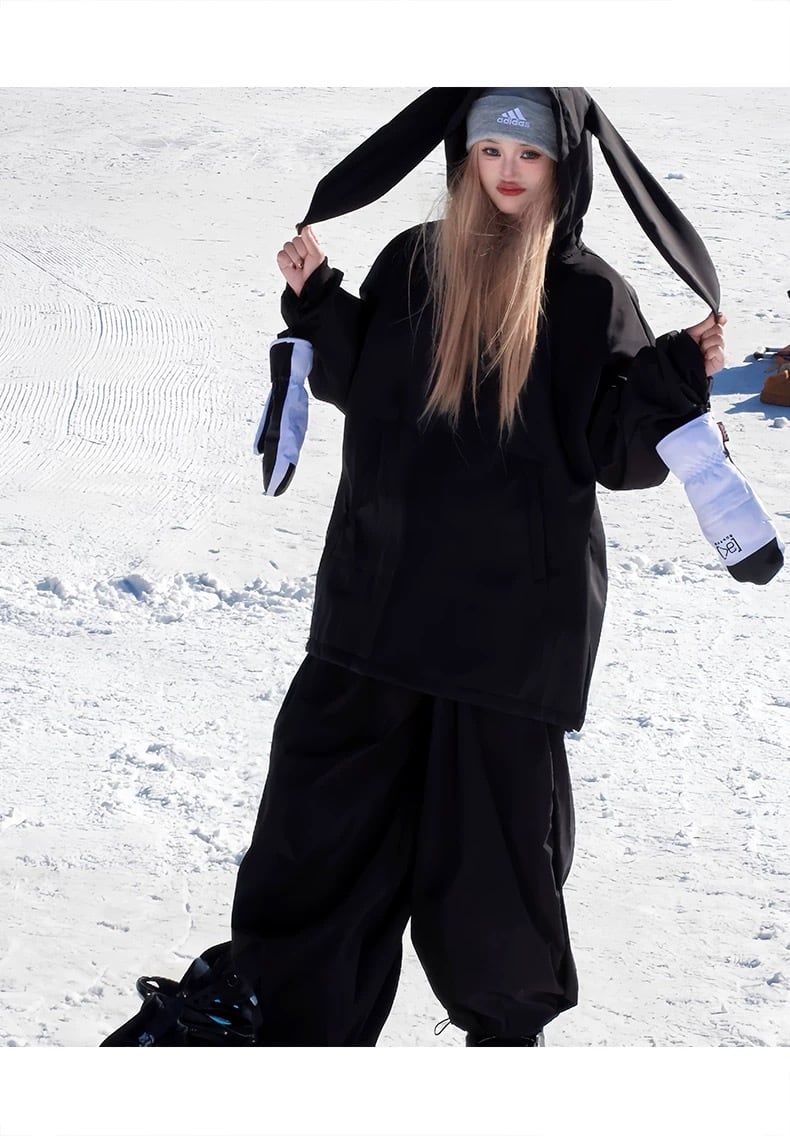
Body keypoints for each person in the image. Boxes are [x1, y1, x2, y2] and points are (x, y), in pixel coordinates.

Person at [102, 87, 781, 1049]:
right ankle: (283, 1037)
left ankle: (502, 1050)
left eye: (530, 154)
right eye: (490, 149)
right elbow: (363, 381)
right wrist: (319, 302)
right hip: (375, 613)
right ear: (462, 154)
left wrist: (673, 380)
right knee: (317, 839)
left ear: (565, 166)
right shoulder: (414, 263)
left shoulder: (591, 296)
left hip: (509, 644)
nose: (507, 171)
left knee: (494, 878)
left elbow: (617, 453)